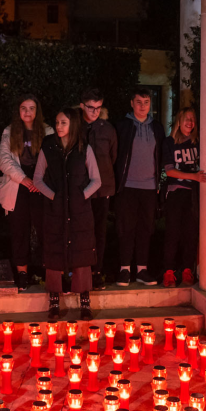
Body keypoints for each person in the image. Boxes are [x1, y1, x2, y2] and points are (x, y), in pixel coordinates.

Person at [33, 107, 101, 320]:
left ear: (72, 124)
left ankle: (84, 300)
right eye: (57, 122)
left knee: (81, 252)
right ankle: (54, 300)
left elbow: (96, 180)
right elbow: (37, 179)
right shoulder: (48, 146)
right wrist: (53, 196)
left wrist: (82, 195)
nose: (59, 126)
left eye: (63, 122)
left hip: (80, 211)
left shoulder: (83, 147)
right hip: (55, 211)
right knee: (54, 252)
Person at [0, 95, 53, 289]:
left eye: (31, 108)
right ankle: (22, 273)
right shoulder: (10, 132)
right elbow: (4, 159)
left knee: (46, 229)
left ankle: (50, 271)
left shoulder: (47, 131)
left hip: (41, 185)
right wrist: (24, 179)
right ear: (18, 111)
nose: (27, 112)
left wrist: (38, 179)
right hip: (18, 184)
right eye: (23, 108)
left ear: (37, 111)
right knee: (19, 231)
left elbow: (53, 159)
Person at [113, 88, 165, 286]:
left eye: (146, 102)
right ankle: (124, 269)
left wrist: (160, 183)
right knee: (126, 228)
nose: (143, 106)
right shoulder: (122, 126)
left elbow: (161, 158)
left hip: (150, 187)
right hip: (127, 186)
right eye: (139, 102)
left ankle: (142, 270)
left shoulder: (157, 128)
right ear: (131, 104)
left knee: (146, 228)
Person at [161, 107, 206, 287]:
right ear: (179, 121)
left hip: (193, 193)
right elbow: (170, 171)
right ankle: (168, 271)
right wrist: (193, 176)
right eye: (187, 118)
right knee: (173, 232)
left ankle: (187, 270)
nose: (190, 122)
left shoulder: (198, 143)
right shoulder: (169, 142)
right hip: (176, 192)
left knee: (191, 232)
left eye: (193, 119)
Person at [79, 88, 118, 289]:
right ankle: (80, 272)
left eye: (98, 108)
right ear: (82, 106)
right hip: (81, 189)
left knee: (99, 232)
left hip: (102, 188)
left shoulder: (108, 129)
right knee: (81, 231)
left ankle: (97, 271)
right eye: (90, 107)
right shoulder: (75, 127)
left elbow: (112, 157)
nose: (94, 111)